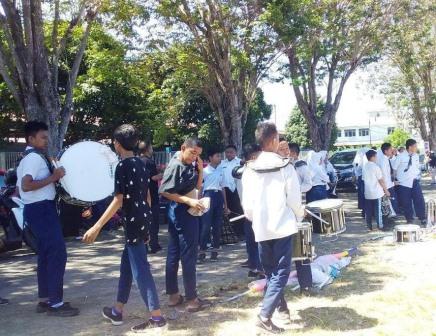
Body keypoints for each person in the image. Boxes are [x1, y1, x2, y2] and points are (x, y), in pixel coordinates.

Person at [83, 124, 166, 332]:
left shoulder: (122, 166)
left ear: (116, 143)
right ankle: (117, 311)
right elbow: (147, 195)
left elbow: (118, 200)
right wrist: (146, 223)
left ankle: (156, 317)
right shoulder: (141, 163)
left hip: (133, 222)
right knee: (127, 267)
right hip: (143, 218)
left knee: (141, 270)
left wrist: (97, 226)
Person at [242, 122, 304, 334]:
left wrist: (255, 218)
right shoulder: (285, 166)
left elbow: (247, 205)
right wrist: (300, 214)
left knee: (270, 272)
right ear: (275, 139)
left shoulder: (249, 168)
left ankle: (282, 308)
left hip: (261, 227)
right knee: (281, 273)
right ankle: (264, 315)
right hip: (283, 226)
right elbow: (295, 199)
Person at [16, 121, 79, 317]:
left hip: (36, 210)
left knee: (45, 255)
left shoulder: (27, 157)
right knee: (57, 253)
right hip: (42, 210)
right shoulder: (34, 158)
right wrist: (54, 177)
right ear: (31, 139)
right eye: (42, 137)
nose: (46, 140)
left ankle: (45, 299)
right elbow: (26, 186)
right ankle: (56, 304)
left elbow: (21, 189)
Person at [159, 137, 211, 313]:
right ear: (183, 148)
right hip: (182, 212)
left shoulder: (191, 164)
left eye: (198, 155)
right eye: (193, 153)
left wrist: (200, 171)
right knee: (188, 254)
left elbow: (197, 188)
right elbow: (165, 191)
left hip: (185, 210)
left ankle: (174, 296)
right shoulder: (176, 165)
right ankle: (192, 299)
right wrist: (188, 201)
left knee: (173, 253)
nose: (194, 157)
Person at [286, 142, 317, 295]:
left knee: (302, 249)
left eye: (288, 151)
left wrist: (296, 191)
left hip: (298, 210)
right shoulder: (281, 167)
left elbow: (308, 183)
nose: (286, 154)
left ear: (294, 153)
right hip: (284, 214)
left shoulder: (300, 165)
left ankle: (306, 285)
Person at [236, 143, 263, 278]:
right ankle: (260, 268)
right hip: (255, 211)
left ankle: (254, 267)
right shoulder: (251, 172)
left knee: (252, 241)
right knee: (258, 241)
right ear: (253, 156)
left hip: (248, 211)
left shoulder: (244, 170)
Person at [198, 148, 227, 262]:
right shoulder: (204, 171)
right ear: (210, 158)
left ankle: (215, 251)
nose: (219, 158)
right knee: (205, 226)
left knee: (217, 225)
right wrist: (199, 201)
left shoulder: (221, 171)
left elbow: (223, 187)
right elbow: (200, 187)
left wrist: (226, 204)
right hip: (207, 196)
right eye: (217, 156)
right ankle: (202, 252)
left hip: (218, 196)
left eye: (220, 156)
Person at [393, 139, 426, 225]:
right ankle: (409, 219)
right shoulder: (400, 156)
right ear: (410, 147)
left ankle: (422, 217)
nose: (416, 148)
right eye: (415, 146)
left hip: (414, 181)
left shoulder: (416, 156)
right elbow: (394, 169)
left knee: (419, 200)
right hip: (403, 183)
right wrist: (394, 180)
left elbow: (416, 167)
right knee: (406, 202)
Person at [138, 141, 163, 254]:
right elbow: (153, 177)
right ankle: (154, 245)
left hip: (140, 195)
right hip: (152, 195)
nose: (152, 150)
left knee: (143, 221)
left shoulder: (137, 161)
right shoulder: (149, 162)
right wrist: (163, 174)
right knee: (153, 222)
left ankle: (144, 245)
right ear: (147, 149)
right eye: (151, 148)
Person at [362, 150, 390, 231]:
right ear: (373, 157)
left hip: (367, 192)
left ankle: (369, 226)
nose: (377, 158)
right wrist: (386, 190)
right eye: (376, 156)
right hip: (377, 192)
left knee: (368, 210)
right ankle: (380, 226)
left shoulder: (365, 167)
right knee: (378, 211)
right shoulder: (376, 167)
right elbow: (381, 180)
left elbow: (363, 179)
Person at [220, 145, 244, 237]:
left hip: (237, 189)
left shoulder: (240, 162)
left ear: (235, 153)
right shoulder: (222, 163)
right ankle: (234, 234)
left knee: (239, 210)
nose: (229, 154)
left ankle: (241, 233)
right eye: (227, 152)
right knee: (229, 212)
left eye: (231, 152)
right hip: (226, 190)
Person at [377, 143, 399, 216]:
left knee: (392, 202)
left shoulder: (386, 159)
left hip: (389, 184)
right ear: (385, 151)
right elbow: (383, 175)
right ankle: (391, 217)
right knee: (391, 202)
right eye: (390, 149)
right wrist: (385, 188)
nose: (392, 151)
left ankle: (393, 215)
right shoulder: (383, 160)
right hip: (387, 186)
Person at [354, 148, 367, 217]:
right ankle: (365, 211)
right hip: (363, 179)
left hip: (361, 179)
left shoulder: (360, 160)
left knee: (362, 195)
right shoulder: (363, 160)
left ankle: (364, 211)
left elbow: (357, 170)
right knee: (364, 195)